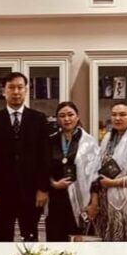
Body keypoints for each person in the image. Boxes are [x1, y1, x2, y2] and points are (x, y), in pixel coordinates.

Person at [0, 73, 50, 242]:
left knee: (30, 240)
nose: (16, 92)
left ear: (26, 91)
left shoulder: (38, 119)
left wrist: (43, 189)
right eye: (11, 87)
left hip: (31, 193)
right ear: (4, 91)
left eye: (20, 87)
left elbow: (44, 156)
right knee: (3, 240)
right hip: (2, 194)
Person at [45, 101, 100, 241]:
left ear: (77, 116)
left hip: (82, 200)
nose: (67, 119)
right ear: (57, 119)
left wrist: (94, 203)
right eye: (62, 116)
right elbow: (42, 169)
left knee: (79, 244)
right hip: (56, 199)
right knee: (55, 243)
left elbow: (96, 175)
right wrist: (53, 184)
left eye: (70, 115)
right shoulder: (50, 141)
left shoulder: (89, 143)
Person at [96, 100, 127, 240]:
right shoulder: (107, 137)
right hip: (105, 197)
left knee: (126, 240)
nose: (117, 118)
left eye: (122, 114)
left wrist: (113, 183)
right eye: (114, 114)